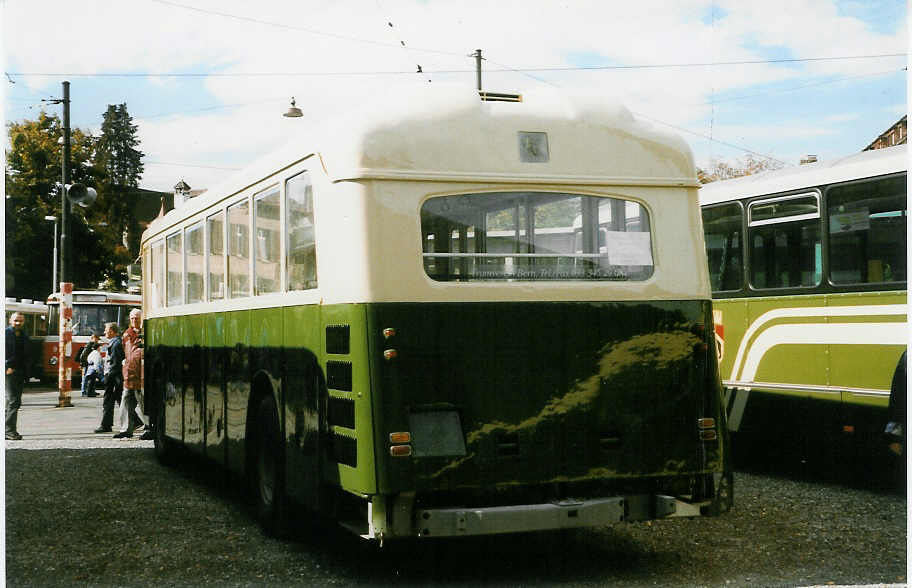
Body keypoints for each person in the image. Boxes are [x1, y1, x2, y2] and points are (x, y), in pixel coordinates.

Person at [115, 308, 150, 440]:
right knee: (126, 402)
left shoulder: (145, 334)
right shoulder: (127, 335)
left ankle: (149, 427)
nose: (134, 320)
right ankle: (126, 429)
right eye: (132, 318)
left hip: (141, 374)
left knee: (143, 402)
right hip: (129, 373)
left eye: (137, 318)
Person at [94, 323, 124, 434]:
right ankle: (135, 420)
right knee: (120, 400)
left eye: (106, 330)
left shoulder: (115, 344)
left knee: (108, 401)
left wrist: (107, 377)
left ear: (112, 331)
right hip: (115, 377)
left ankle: (106, 425)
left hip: (113, 378)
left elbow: (115, 363)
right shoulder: (115, 342)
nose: (104, 332)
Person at [5, 311, 29, 440]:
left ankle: (6, 429)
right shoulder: (5, 333)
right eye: (15, 320)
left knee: (11, 401)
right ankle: (9, 431)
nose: (18, 323)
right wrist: (7, 367)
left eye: (20, 321)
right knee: (13, 400)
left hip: (20, 372)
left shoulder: (24, 335)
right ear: (10, 321)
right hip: (9, 371)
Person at [78, 332, 103, 397]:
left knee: (91, 378)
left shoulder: (92, 345)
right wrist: (82, 364)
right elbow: (83, 355)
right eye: (97, 339)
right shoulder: (89, 345)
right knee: (85, 378)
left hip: (89, 364)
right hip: (86, 364)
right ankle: (84, 392)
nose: (97, 340)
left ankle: (91, 390)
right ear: (93, 338)